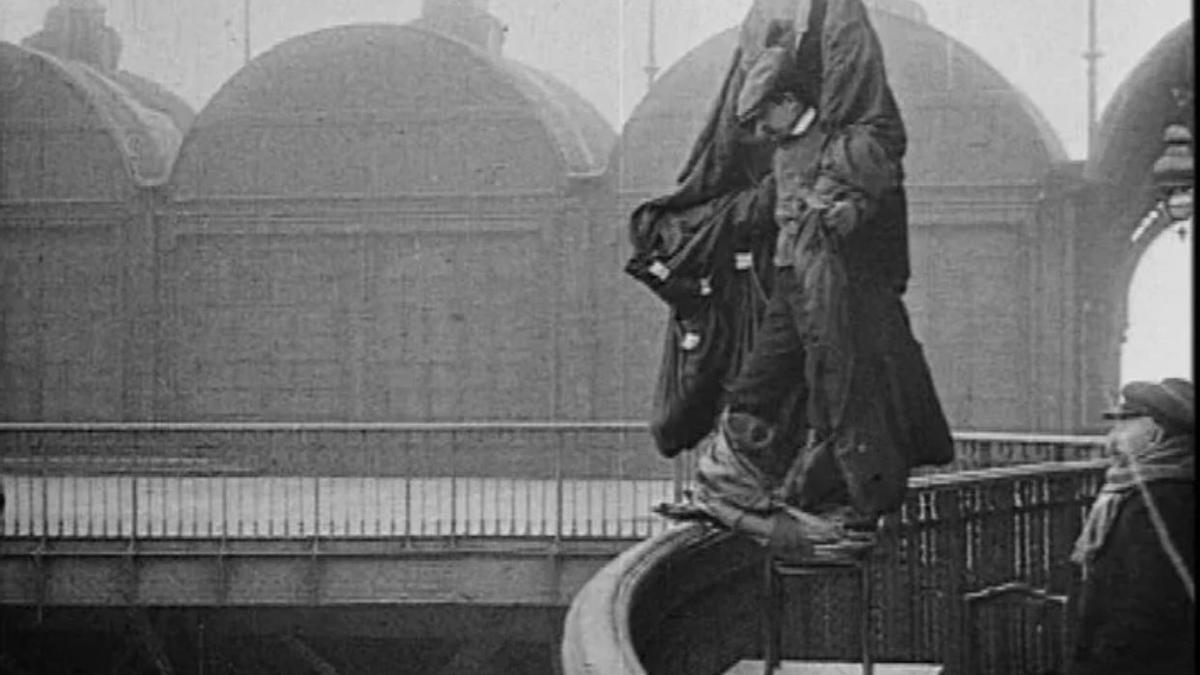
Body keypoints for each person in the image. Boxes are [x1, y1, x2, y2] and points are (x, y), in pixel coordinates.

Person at [637, 0, 953, 555]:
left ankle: (839, 508)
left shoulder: (844, 145)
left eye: (765, 117)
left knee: (840, 388)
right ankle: (732, 483)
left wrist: (836, 212)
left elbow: (863, 183)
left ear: (788, 100)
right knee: (761, 380)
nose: (760, 131)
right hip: (793, 279)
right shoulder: (787, 147)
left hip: (828, 285)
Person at [1068, 377, 1195, 675]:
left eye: (1124, 425)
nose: (1111, 441)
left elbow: (1144, 609)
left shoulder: (1160, 501)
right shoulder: (1156, 490)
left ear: (1157, 433)